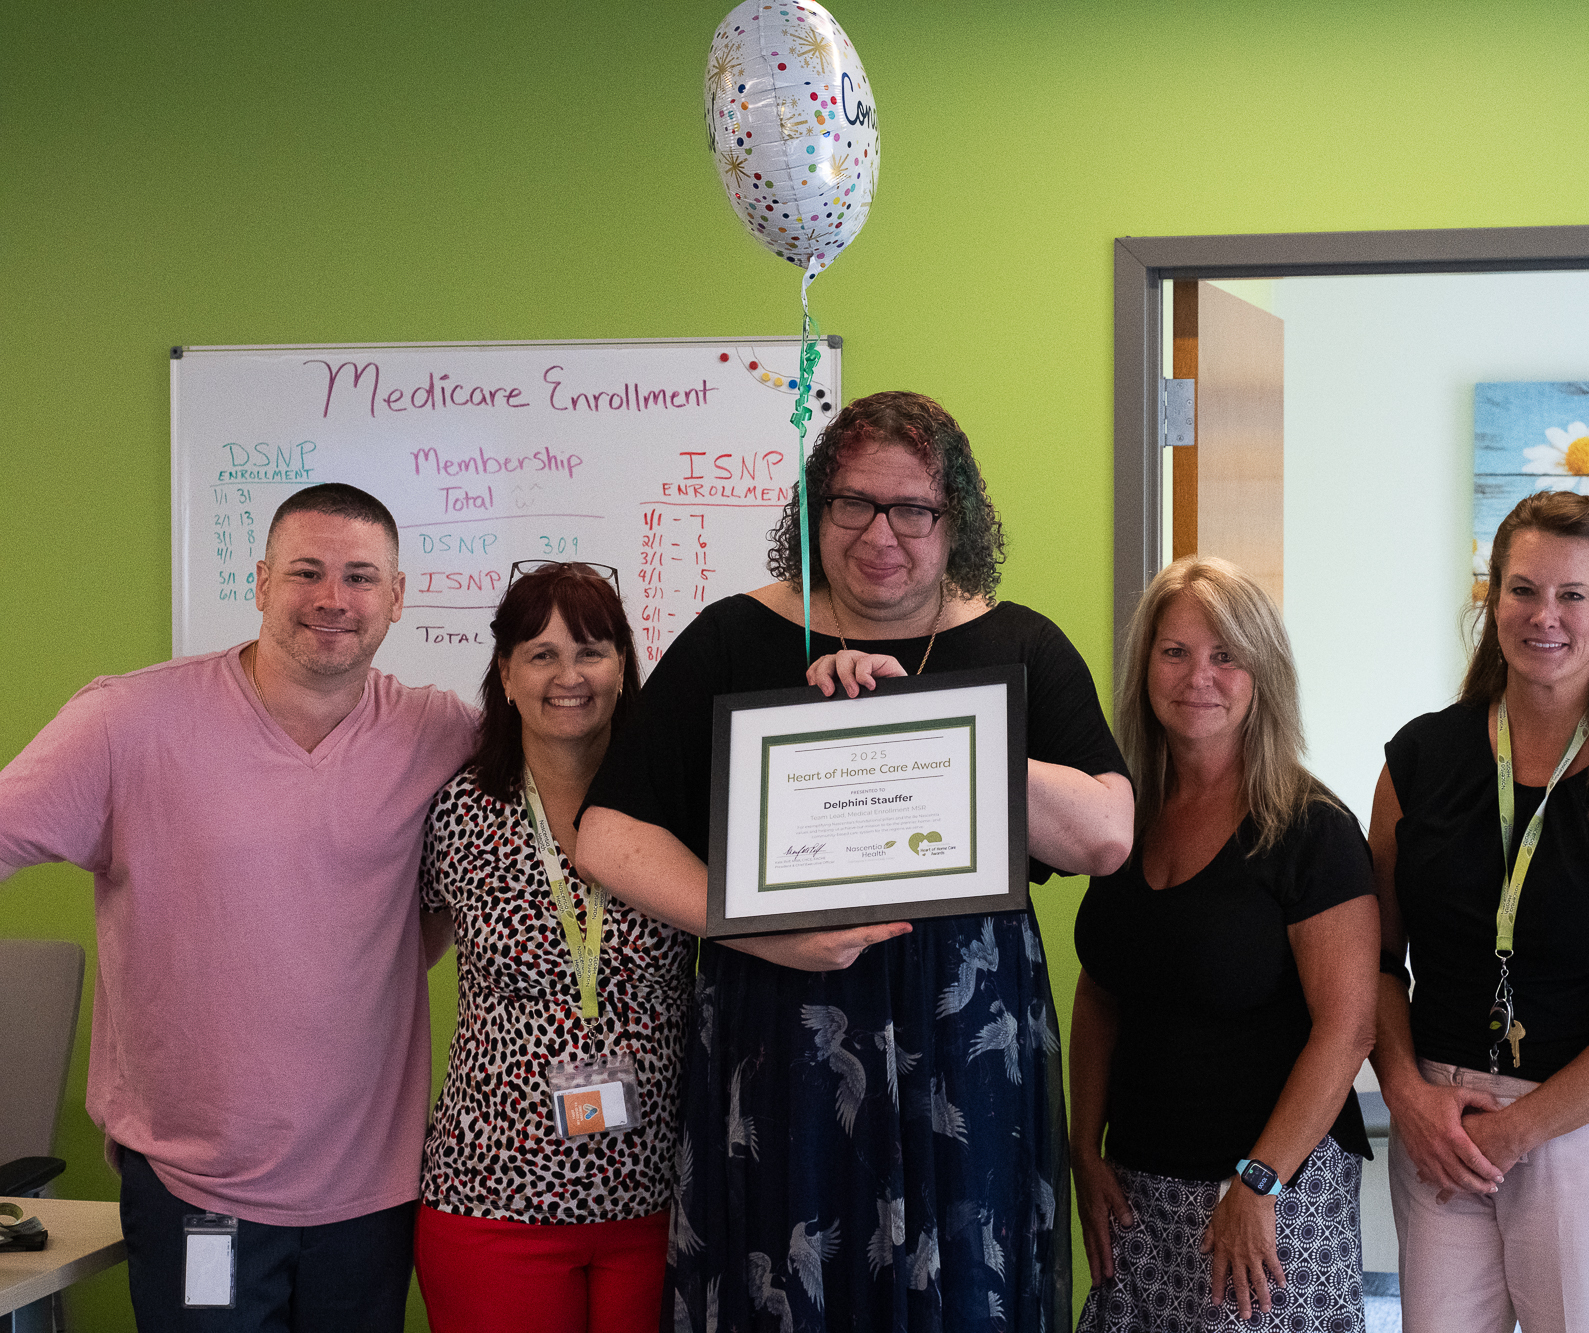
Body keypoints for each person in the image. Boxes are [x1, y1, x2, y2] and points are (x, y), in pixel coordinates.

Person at [574, 390, 1133, 1333]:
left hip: (966, 1047)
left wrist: (926, 723)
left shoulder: (1020, 643)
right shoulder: (733, 636)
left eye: (913, 508)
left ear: (956, 520)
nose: (881, 533)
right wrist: (761, 930)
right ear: (814, 509)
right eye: (853, 503)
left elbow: (1105, 834)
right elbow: (608, 835)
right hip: (780, 1033)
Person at [0, 482, 478, 1331]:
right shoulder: (128, 720)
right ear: (260, 582)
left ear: (397, 596)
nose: (333, 597)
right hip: (195, 1184)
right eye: (306, 571)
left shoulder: (439, 733)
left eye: (361, 576)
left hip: (370, 1189)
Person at [1368, 489, 1589, 1332]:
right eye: (1522, 589)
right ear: (1492, 600)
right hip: (1441, 1122)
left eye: (1572, 595)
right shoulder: (1419, 758)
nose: (1543, 615)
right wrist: (1406, 1095)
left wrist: (1521, 1128)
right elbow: (1372, 960)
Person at [1070, 556, 1378, 1331]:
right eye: (1174, 651)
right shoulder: (1124, 816)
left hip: (1270, 1194)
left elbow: (1348, 1028)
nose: (1197, 676)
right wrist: (1084, 1148)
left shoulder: (1313, 829)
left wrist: (1259, 1179)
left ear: (1262, 673)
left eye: (1225, 655)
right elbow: (1101, 989)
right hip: (1138, 1194)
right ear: (1145, 667)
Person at [412, 562, 691, 1332]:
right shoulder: (458, 812)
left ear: (623, 667)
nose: (569, 676)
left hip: (660, 1200)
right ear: (505, 674)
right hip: (494, 1197)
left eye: (591, 651)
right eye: (542, 654)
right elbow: (399, 954)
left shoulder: (675, 803)